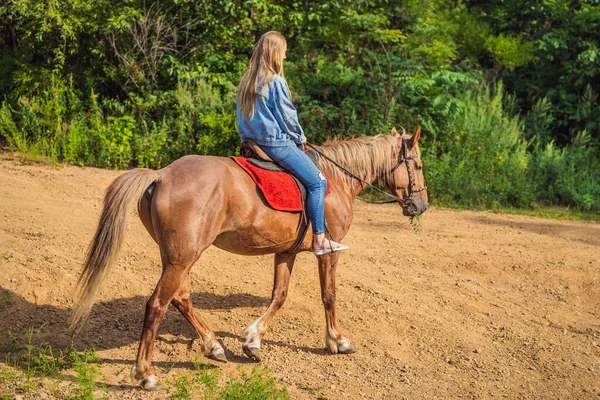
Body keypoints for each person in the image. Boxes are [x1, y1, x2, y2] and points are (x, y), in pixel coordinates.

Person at [236, 31, 348, 255]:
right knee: (318, 182)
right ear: (276, 53)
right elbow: (287, 117)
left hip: (251, 144)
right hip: (275, 143)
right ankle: (319, 239)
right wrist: (300, 137)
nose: (285, 58)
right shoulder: (274, 81)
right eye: (284, 53)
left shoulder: (246, 80)